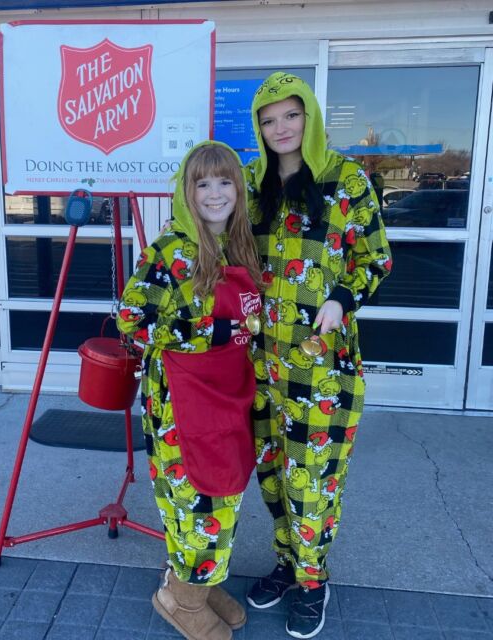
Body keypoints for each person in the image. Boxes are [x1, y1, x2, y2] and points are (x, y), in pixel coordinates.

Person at [244, 72, 392, 639]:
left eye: (291, 115)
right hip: (259, 367)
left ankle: (312, 580)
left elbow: (376, 258)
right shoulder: (253, 183)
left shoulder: (346, 179)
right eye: (268, 119)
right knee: (274, 477)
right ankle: (288, 561)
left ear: (310, 117)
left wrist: (340, 297)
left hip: (322, 368)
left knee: (313, 482)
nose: (280, 128)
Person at [117, 141, 263, 640]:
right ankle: (180, 599)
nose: (215, 193)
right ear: (187, 191)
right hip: (183, 401)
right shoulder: (171, 250)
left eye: (225, 182)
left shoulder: (240, 245)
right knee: (199, 498)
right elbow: (130, 321)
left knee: (223, 494)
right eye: (203, 183)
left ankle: (197, 580)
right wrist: (219, 335)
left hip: (229, 393)